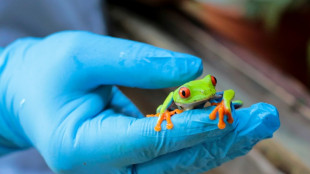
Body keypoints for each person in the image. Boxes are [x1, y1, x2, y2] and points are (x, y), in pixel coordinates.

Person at [0, 0, 280, 174]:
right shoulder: (176, 99)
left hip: (87, 56)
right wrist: (6, 98)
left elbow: (222, 94)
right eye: (184, 92)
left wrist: (222, 104)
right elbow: (167, 104)